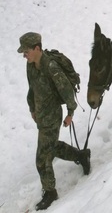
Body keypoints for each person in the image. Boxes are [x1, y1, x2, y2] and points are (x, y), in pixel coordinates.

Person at [17, 32, 91, 211]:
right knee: (52, 147)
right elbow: (32, 89)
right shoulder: (30, 66)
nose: (24, 55)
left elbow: (67, 92)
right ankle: (81, 156)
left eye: (26, 51)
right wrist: (32, 109)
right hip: (40, 116)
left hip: (52, 118)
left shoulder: (51, 68)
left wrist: (70, 113)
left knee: (42, 159)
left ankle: (50, 192)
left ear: (37, 48)